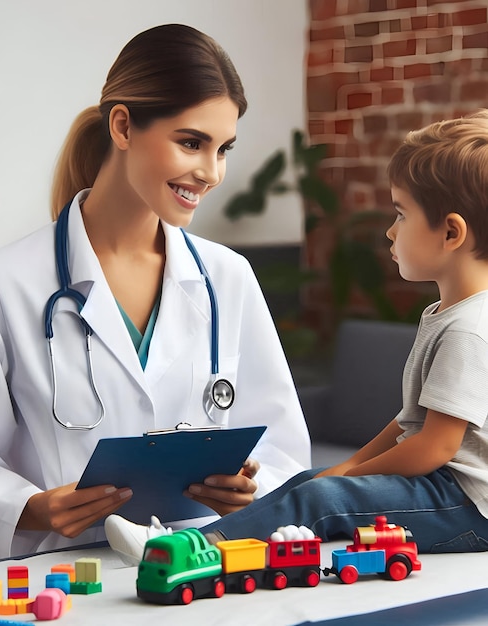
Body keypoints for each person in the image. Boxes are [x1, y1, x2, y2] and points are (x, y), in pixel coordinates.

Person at [0, 23, 310, 565]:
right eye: (191, 142)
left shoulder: (227, 277)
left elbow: (283, 448)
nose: (211, 172)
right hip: (56, 570)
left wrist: (248, 488)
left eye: (222, 149)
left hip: (193, 563)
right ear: (122, 126)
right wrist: (34, 507)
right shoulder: (7, 281)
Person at [105, 110, 488, 566]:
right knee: (307, 482)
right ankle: (199, 539)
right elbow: (412, 423)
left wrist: (348, 479)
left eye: (401, 214)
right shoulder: (447, 315)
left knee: (320, 499)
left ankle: (186, 552)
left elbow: (436, 446)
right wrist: (343, 470)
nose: (390, 230)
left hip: (465, 505)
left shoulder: (468, 327)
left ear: (450, 232)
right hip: (444, 488)